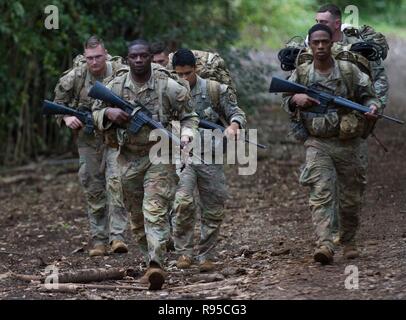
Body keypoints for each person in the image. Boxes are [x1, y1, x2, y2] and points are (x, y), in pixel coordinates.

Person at [92, 40, 199, 289]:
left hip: (159, 154)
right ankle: (149, 256)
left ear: (151, 57)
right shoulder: (115, 86)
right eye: (134, 57)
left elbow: (190, 116)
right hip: (128, 156)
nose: (138, 60)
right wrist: (109, 114)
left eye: (143, 56)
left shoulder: (168, 86)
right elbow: (94, 111)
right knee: (137, 216)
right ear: (127, 59)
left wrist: (185, 135)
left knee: (155, 209)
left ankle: (156, 263)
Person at [282, 24, 381, 264]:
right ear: (310, 45)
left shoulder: (348, 72)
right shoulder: (302, 73)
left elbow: (369, 96)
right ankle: (324, 244)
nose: (320, 47)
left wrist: (373, 107)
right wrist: (295, 99)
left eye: (324, 42)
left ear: (331, 43)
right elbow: (286, 101)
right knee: (321, 193)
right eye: (315, 43)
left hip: (349, 143)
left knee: (350, 198)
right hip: (318, 143)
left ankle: (348, 241)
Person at [314, 4, 389, 243]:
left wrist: (375, 107)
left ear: (337, 24)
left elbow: (378, 82)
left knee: (351, 187)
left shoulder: (359, 48)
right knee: (323, 184)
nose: (318, 27)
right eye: (316, 21)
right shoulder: (313, 45)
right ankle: (329, 236)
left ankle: (346, 234)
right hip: (322, 128)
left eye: (324, 22)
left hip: (353, 126)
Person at [171, 48, 246, 272]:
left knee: (213, 207)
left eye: (188, 73)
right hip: (181, 155)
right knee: (183, 203)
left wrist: (234, 125)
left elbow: (236, 112)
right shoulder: (169, 90)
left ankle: (206, 254)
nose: (184, 78)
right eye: (179, 74)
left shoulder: (214, 90)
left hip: (210, 157)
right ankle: (183, 252)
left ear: (196, 69)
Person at [53, 35, 129, 257]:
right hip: (88, 140)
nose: (94, 62)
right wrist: (66, 118)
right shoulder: (74, 77)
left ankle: (118, 237)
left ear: (105, 54)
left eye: (98, 57)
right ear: (84, 57)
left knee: (117, 184)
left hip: (115, 139)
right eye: (90, 58)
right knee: (93, 187)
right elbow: (58, 104)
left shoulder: (120, 72)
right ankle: (99, 240)